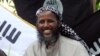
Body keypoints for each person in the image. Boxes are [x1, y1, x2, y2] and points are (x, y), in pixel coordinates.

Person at [24, 6, 89, 56]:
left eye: (50, 21)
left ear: (59, 24)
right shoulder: (32, 49)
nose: (46, 25)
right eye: (42, 22)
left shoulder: (75, 48)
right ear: (37, 25)